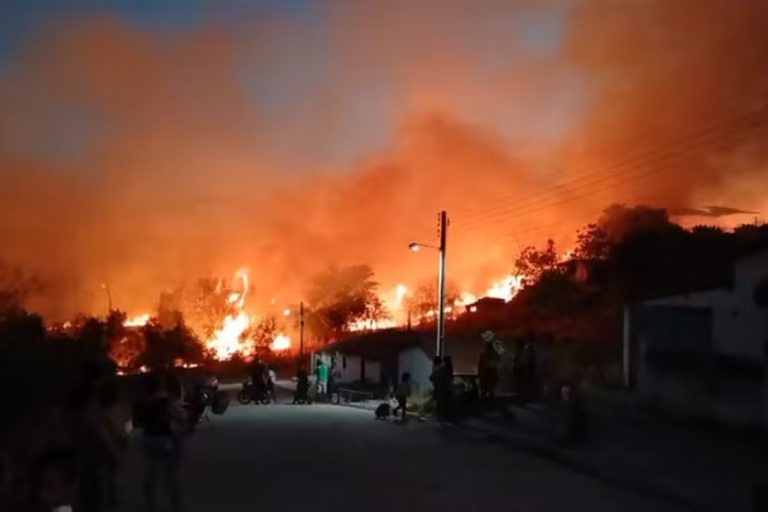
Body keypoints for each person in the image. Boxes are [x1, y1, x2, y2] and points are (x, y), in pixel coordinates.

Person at [139, 374, 186, 512]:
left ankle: (150, 504)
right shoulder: (165, 402)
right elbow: (181, 416)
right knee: (172, 474)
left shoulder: (143, 403)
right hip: (166, 439)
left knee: (152, 472)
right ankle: (176, 505)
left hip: (149, 439)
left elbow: (138, 421)